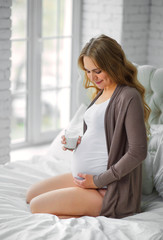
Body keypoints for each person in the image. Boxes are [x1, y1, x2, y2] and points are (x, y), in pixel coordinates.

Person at [26, 34, 150, 219]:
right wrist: (78, 143)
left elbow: (138, 151)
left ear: (113, 64)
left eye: (97, 71)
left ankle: (91, 212)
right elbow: (102, 135)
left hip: (107, 189)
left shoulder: (127, 96)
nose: (92, 77)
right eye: (88, 71)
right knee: (31, 195)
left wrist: (97, 181)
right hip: (85, 179)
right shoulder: (101, 92)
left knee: (36, 206)